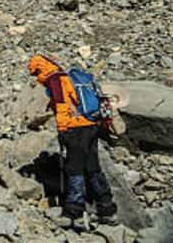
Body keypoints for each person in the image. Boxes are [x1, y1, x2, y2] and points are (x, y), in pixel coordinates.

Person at [28, 54, 117, 221]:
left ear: (40, 68)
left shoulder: (54, 79)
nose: (36, 78)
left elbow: (62, 105)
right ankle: (107, 207)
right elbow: (73, 100)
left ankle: (74, 211)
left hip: (76, 128)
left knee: (74, 168)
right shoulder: (66, 77)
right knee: (92, 167)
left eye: (35, 73)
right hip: (91, 125)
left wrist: (62, 130)